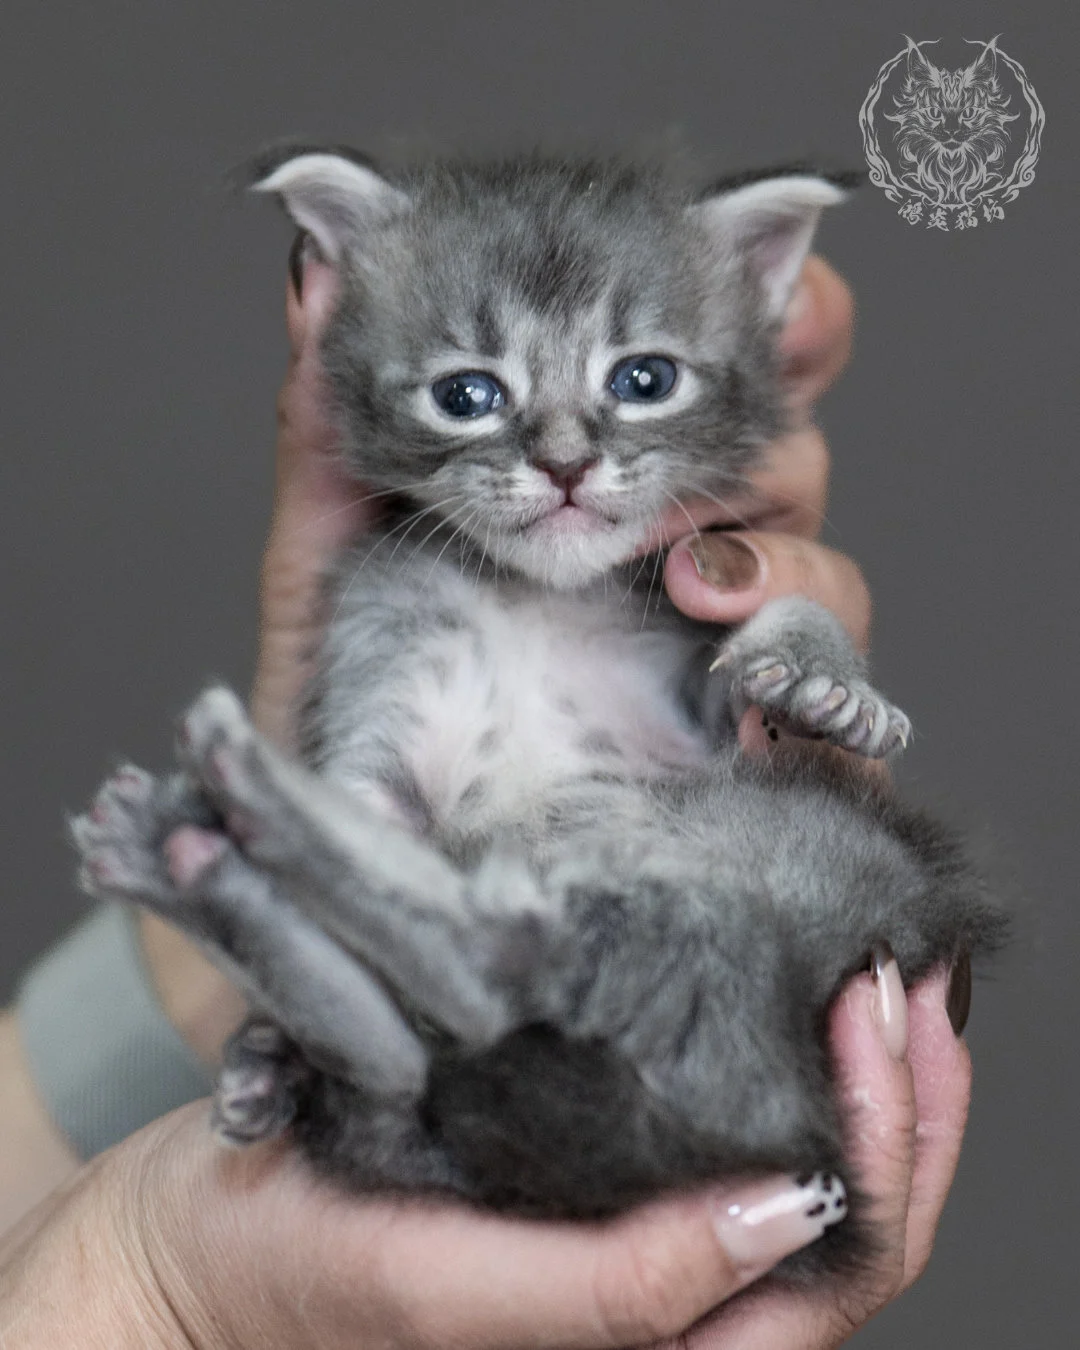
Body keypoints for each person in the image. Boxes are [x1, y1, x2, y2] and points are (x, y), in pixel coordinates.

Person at [0, 247, 974, 1347]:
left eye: (638, 380)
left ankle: (309, 925)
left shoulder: (654, 592)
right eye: (472, 393)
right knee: (437, 1078)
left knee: (394, 1098)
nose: (563, 453)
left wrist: (798, 655)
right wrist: (149, 1289)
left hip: (541, 1036)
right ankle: (341, 926)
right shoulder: (413, 593)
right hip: (637, 1026)